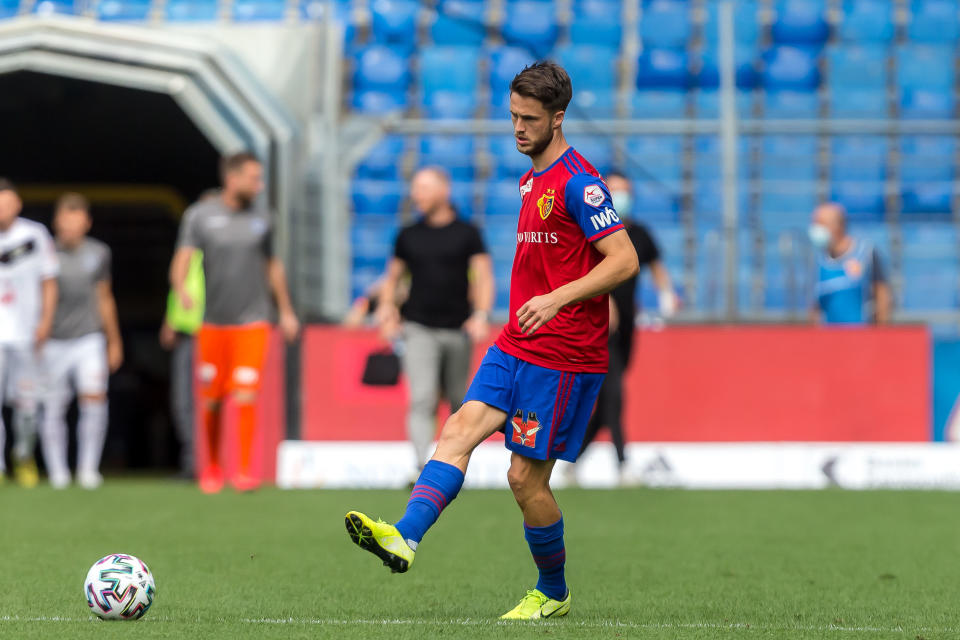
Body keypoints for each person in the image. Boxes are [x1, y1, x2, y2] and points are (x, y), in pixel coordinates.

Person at [344, 62, 640, 620]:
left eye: (530, 119)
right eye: (512, 117)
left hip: (564, 356)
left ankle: (552, 590)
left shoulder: (581, 181)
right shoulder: (532, 179)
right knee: (457, 428)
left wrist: (557, 298)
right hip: (517, 342)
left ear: (558, 118)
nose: (518, 129)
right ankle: (404, 536)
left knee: (523, 480)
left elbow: (625, 259)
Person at [169, 153, 300, 493]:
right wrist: (181, 288)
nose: (259, 186)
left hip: (252, 322)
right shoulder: (200, 216)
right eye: (254, 179)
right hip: (212, 323)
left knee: (245, 395)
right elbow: (182, 257)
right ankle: (211, 467)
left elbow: (273, 266)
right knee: (211, 400)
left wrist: (285, 310)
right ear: (232, 178)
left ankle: (244, 472)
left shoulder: (263, 219)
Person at [376, 166, 494, 472]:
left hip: (458, 330)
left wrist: (481, 315)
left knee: (459, 402)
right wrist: (388, 309)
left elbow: (483, 277)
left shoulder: (468, 234)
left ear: (445, 191)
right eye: (415, 188)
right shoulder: (408, 235)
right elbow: (393, 278)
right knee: (423, 398)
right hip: (417, 328)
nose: (417, 195)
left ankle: (453, 466)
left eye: (424, 188)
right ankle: (420, 467)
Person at [575, 170, 677, 483]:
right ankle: (622, 464)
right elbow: (581, 272)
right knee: (614, 395)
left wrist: (666, 294)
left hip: (627, 328)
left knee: (608, 400)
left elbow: (656, 266)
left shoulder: (640, 233)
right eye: (616, 191)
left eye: (626, 191)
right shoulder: (591, 231)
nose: (622, 198)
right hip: (597, 325)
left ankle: (571, 459)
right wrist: (602, 299)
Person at [38, 193, 122, 490]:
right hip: (52, 340)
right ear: (57, 222)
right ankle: (58, 471)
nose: (70, 227)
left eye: (77, 221)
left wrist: (114, 341)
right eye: (65, 220)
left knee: (94, 399)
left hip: (89, 338)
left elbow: (105, 297)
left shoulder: (99, 253)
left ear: (86, 223)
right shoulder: (43, 252)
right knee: (53, 406)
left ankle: (88, 469)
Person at [0, 179, 59, 487]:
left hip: (27, 333)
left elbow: (49, 281)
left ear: (18, 205)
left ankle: (23, 455)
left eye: (7, 203)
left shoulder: (34, 235)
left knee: (26, 405)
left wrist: (45, 321)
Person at [809, 202, 892, 325]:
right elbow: (815, 308)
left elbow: (882, 295)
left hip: (861, 337)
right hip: (828, 339)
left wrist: (880, 335)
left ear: (837, 225)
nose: (815, 229)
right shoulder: (817, 260)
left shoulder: (866, 253)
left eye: (820, 223)